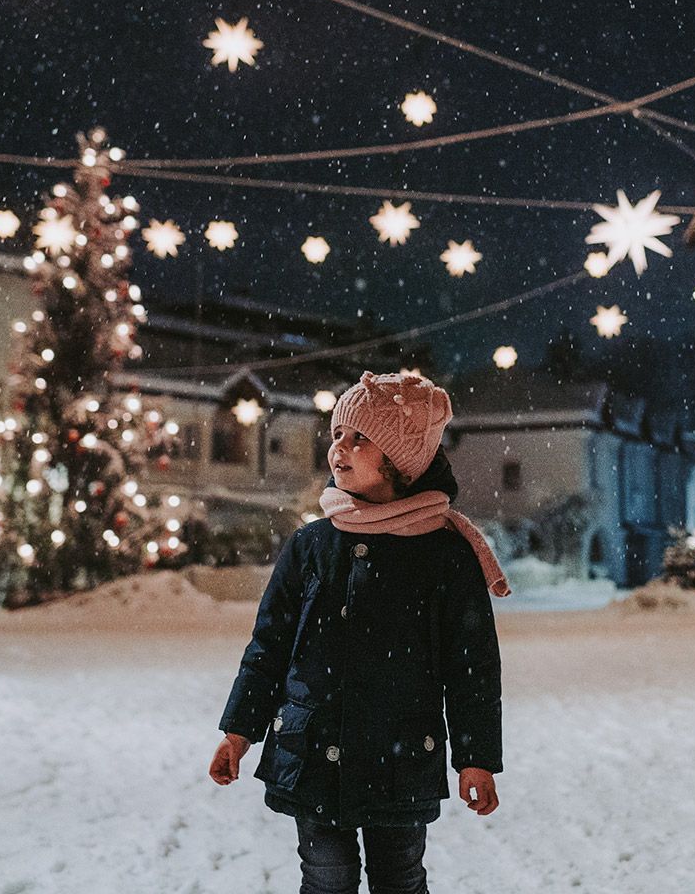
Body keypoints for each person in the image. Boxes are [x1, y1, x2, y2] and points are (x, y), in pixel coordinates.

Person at [210, 371, 511, 894]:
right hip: (313, 748)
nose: (339, 449)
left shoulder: (443, 554)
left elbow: (471, 668)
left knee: (400, 879)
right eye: (337, 436)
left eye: (360, 438)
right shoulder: (310, 546)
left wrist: (476, 757)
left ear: (398, 461)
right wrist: (239, 731)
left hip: (399, 757)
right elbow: (269, 647)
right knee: (326, 880)